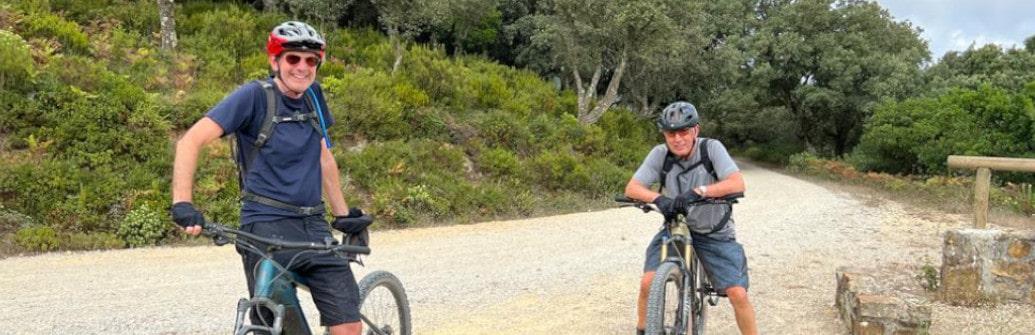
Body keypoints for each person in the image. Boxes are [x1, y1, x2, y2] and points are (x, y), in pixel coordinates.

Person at [170, 21, 366, 335]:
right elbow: (189, 142)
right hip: (265, 225)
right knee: (275, 323)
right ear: (274, 60)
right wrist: (182, 203)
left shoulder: (313, 96)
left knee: (348, 324)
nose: (302, 67)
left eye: (311, 60)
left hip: (312, 226)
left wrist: (343, 216)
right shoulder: (253, 97)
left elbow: (323, 157)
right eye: (293, 58)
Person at [624, 101, 758, 335]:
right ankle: (644, 330)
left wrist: (699, 192)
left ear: (695, 130)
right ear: (664, 134)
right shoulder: (660, 154)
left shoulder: (712, 149)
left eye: (683, 131)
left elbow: (737, 182)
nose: (677, 139)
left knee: (738, 293)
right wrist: (658, 200)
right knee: (648, 282)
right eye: (671, 133)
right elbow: (632, 188)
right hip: (676, 227)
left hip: (713, 231)